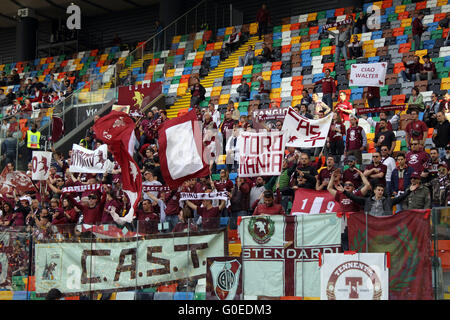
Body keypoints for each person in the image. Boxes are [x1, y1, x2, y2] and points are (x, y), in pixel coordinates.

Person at [343, 183, 415, 216]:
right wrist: (344, 192)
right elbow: (354, 198)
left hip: (383, 224)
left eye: (382, 190)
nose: (380, 192)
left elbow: (400, 198)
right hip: (371, 224)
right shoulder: (367, 200)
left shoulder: (388, 201)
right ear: (374, 191)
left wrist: (409, 191)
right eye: (379, 190)